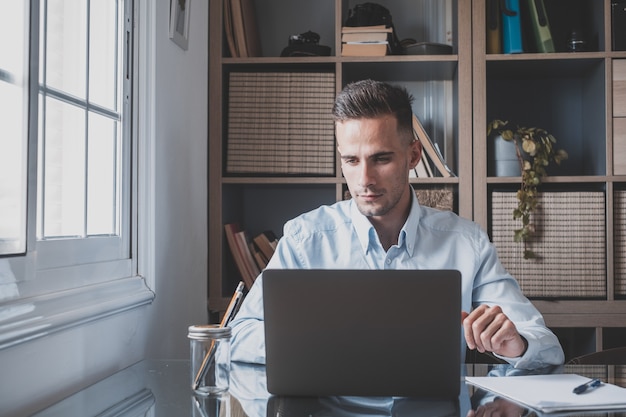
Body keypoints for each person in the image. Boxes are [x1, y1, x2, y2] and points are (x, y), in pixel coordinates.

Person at [229, 79, 564, 369]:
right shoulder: (305, 239)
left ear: (413, 156)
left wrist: (515, 343)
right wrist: (317, 342)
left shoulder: (467, 243)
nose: (364, 179)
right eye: (351, 160)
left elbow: (547, 348)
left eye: (381, 158)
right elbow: (241, 336)